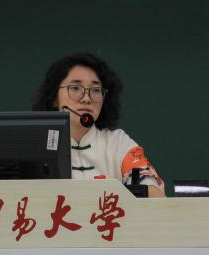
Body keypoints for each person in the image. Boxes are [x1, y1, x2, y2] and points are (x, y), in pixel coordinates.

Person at [32, 52, 165, 197]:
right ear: (54, 98)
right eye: (75, 88)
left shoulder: (118, 143)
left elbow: (155, 195)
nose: (86, 98)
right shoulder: (36, 144)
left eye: (95, 90)